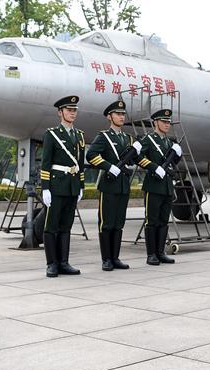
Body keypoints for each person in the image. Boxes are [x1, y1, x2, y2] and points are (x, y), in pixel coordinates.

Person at [87, 99, 138, 271]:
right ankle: (106, 259)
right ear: (109, 117)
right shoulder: (103, 136)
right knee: (107, 223)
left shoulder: (128, 138)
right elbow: (91, 155)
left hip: (123, 184)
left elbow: (135, 159)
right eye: (118, 114)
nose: (121, 117)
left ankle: (115, 257)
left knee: (118, 223)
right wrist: (109, 167)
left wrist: (139, 149)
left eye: (123, 114)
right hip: (109, 185)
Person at [39, 96, 86, 278]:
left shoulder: (79, 135)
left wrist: (81, 185)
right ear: (60, 113)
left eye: (74, 110)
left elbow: (80, 164)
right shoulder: (52, 134)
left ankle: (64, 262)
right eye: (68, 110)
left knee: (66, 226)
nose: (72, 113)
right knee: (51, 226)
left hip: (72, 186)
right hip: (57, 185)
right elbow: (46, 163)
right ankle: (52, 263)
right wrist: (45, 188)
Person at [137, 109, 180, 266]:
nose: (167, 124)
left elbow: (173, 163)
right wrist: (153, 167)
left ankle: (161, 252)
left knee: (163, 220)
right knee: (152, 220)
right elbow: (137, 156)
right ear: (155, 122)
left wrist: (178, 156)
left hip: (167, 186)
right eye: (164, 121)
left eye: (168, 122)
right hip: (153, 186)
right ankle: (151, 254)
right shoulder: (148, 139)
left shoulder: (169, 143)